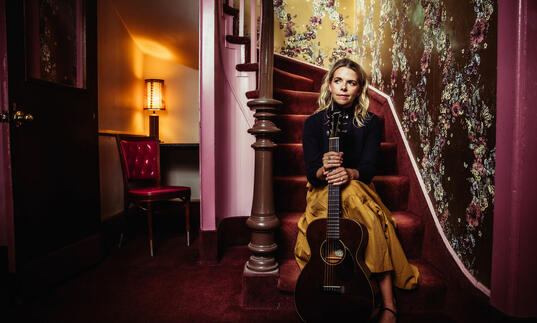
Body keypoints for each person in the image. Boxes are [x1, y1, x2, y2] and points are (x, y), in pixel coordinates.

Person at [294, 58, 420, 323]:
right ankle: (379, 296)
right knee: (338, 217)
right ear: (329, 85)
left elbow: (369, 167)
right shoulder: (313, 123)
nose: (343, 87)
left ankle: (388, 302)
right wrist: (323, 168)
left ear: (359, 88)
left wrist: (349, 173)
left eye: (351, 82)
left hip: (359, 186)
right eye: (338, 81)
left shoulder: (372, 122)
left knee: (361, 209)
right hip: (322, 189)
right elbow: (311, 171)